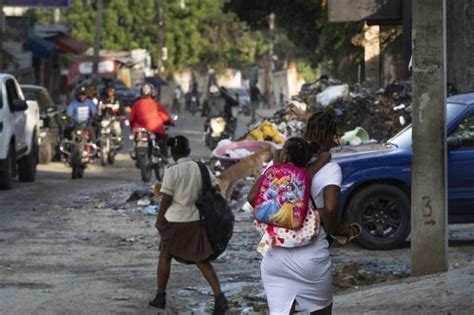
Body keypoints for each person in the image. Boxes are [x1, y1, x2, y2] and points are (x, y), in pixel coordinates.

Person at [249, 108, 359, 315]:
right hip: (311, 259)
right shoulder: (330, 168)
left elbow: (251, 198)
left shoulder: (280, 167)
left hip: (274, 257)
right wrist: (338, 230)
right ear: (332, 136)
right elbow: (331, 209)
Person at [150, 135, 229, 314]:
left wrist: (159, 219)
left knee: (165, 255)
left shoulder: (172, 171)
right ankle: (220, 298)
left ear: (172, 153)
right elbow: (216, 188)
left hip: (174, 221)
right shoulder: (201, 168)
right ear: (189, 152)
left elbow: (167, 198)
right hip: (196, 221)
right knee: (201, 259)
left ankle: (160, 296)